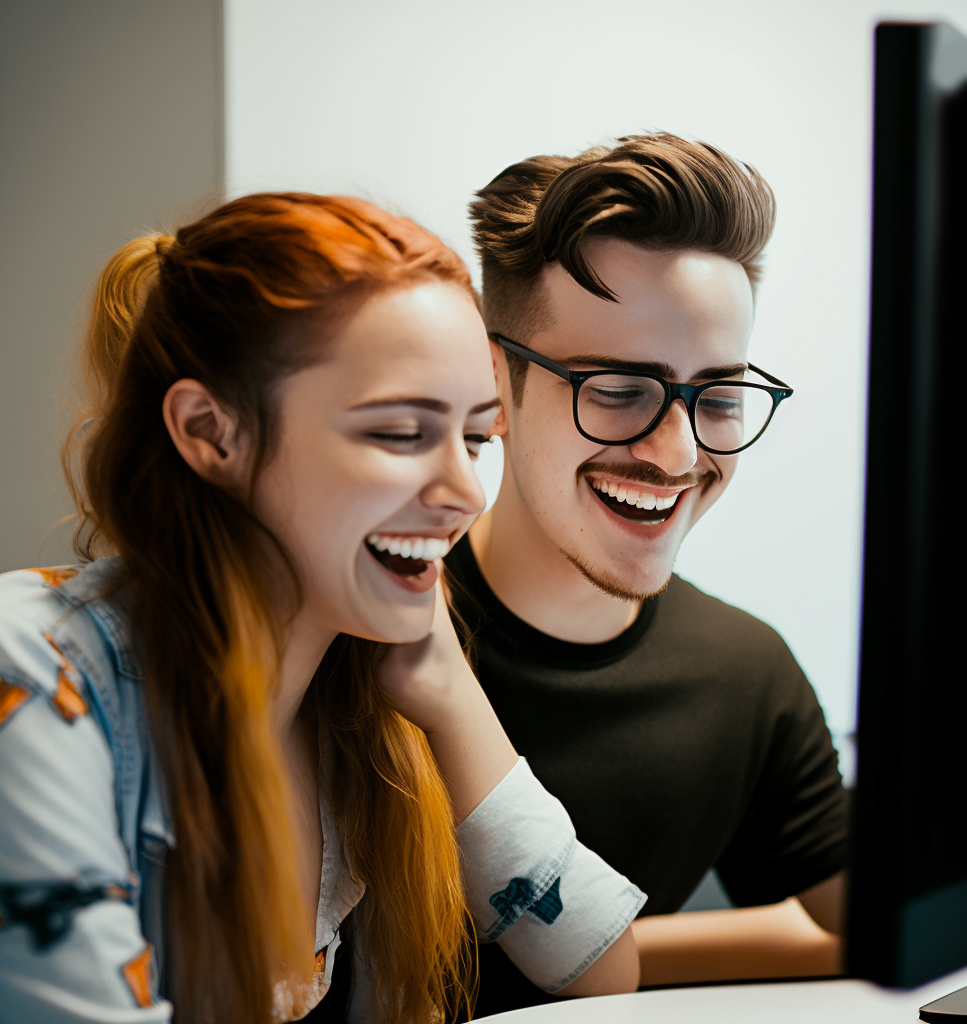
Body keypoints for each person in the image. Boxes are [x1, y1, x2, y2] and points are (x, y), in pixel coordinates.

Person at [0, 193, 646, 1023]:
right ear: (212, 432)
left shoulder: (346, 711)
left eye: (476, 438)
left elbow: (598, 968)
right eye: (402, 434)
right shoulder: (36, 678)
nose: (463, 495)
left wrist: (452, 701)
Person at [444, 133, 849, 1017]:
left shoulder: (746, 673)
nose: (678, 453)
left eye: (719, 396)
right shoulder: (369, 638)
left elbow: (866, 919)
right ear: (492, 384)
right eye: (621, 388)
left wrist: (604, 948)